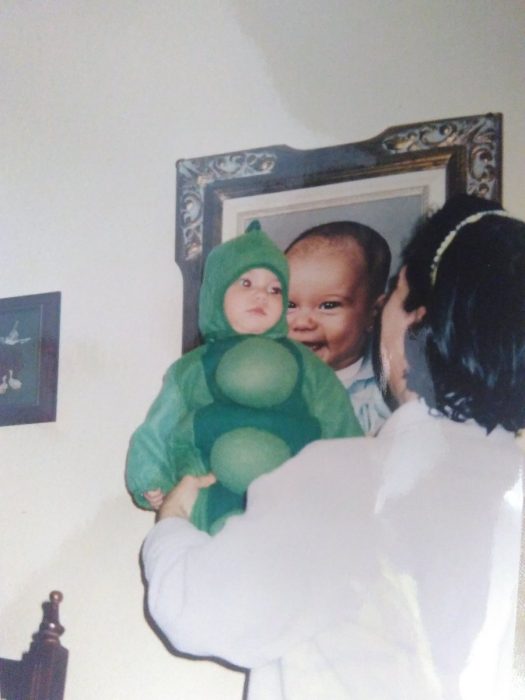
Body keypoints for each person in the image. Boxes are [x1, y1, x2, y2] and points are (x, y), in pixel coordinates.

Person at [141, 195, 525, 699]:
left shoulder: (348, 480)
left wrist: (171, 524)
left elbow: (200, 609)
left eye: (394, 294)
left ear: (417, 322)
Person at [126, 221, 361, 534]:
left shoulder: (309, 366)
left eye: (274, 289)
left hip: (296, 499)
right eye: (246, 283)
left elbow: (338, 420)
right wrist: (151, 476)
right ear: (217, 291)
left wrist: (353, 485)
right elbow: (158, 427)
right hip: (210, 492)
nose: (262, 295)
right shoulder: (190, 368)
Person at [286, 221, 392, 435]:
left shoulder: (384, 392)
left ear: (374, 312)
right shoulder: (265, 376)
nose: (302, 323)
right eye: (289, 305)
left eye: (328, 305)